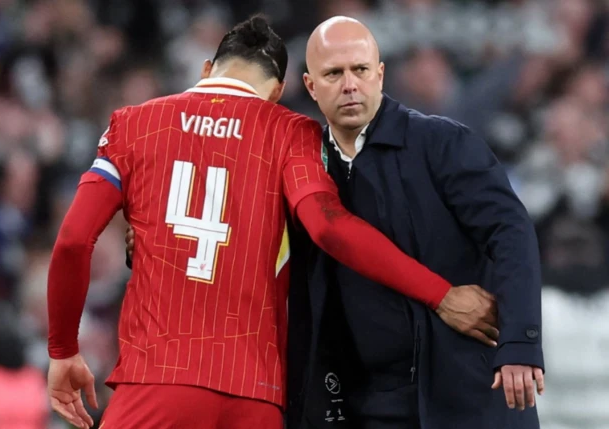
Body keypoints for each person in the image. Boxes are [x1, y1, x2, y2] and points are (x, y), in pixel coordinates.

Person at [46, 16, 497, 429]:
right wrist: (439, 293)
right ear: (279, 90)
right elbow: (329, 228)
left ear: (207, 70)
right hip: (255, 396)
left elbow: (72, 240)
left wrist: (63, 351)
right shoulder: (290, 131)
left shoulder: (134, 125)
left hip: (157, 381)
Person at [285, 16, 545, 429]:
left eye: (360, 70)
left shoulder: (442, 142)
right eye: (334, 73)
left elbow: (510, 231)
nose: (350, 84)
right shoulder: (307, 173)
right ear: (311, 86)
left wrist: (519, 344)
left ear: (380, 74)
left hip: (467, 396)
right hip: (366, 405)